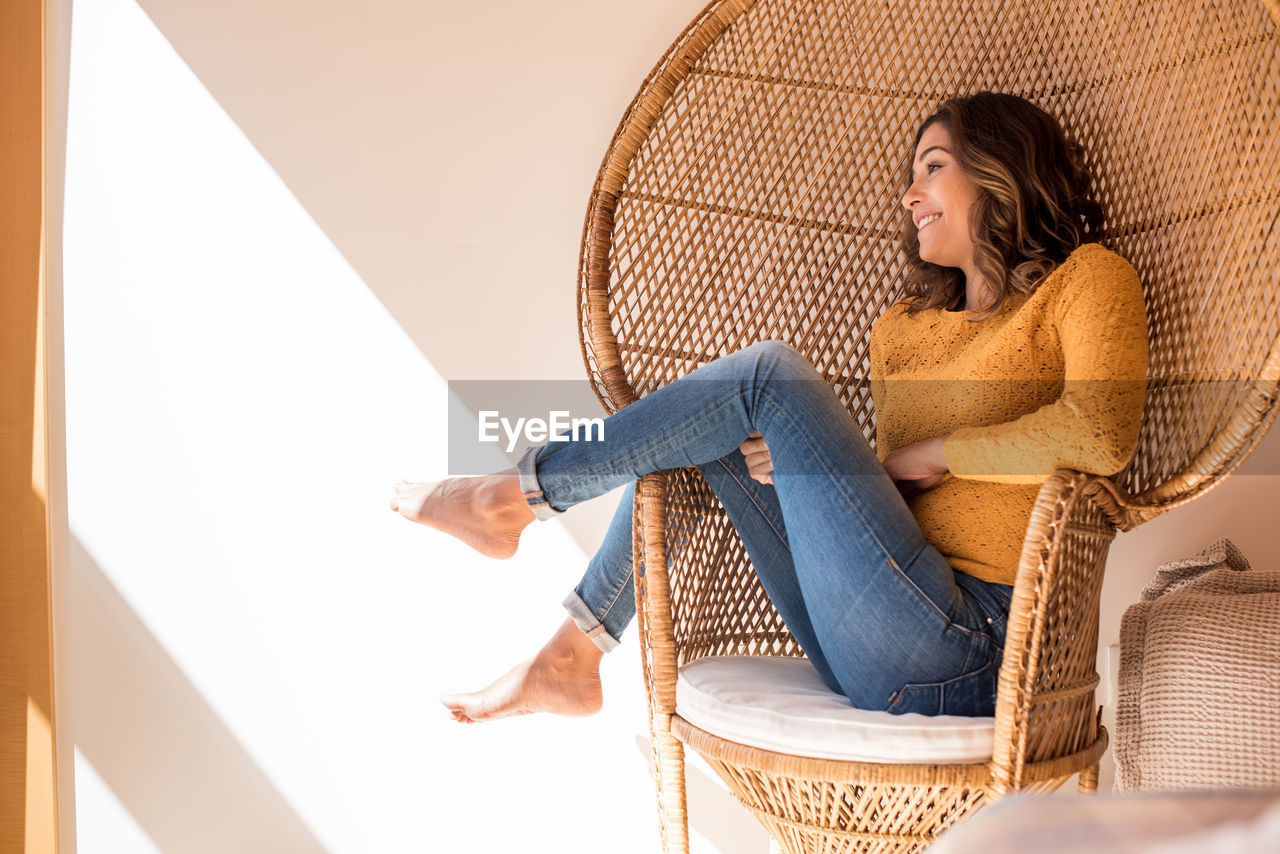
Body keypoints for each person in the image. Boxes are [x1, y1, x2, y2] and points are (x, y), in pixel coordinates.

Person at [390, 91, 1149, 723]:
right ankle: (573, 653)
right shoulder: (902, 332)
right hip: (875, 630)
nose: (909, 194)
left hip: (981, 645)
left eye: (934, 168)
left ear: (1001, 170)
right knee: (711, 437)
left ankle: (514, 495)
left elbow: (1101, 433)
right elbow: (900, 507)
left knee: (769, 373)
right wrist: (802, 471)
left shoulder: (1086, 280)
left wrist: (934, 452)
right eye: (911, 176)